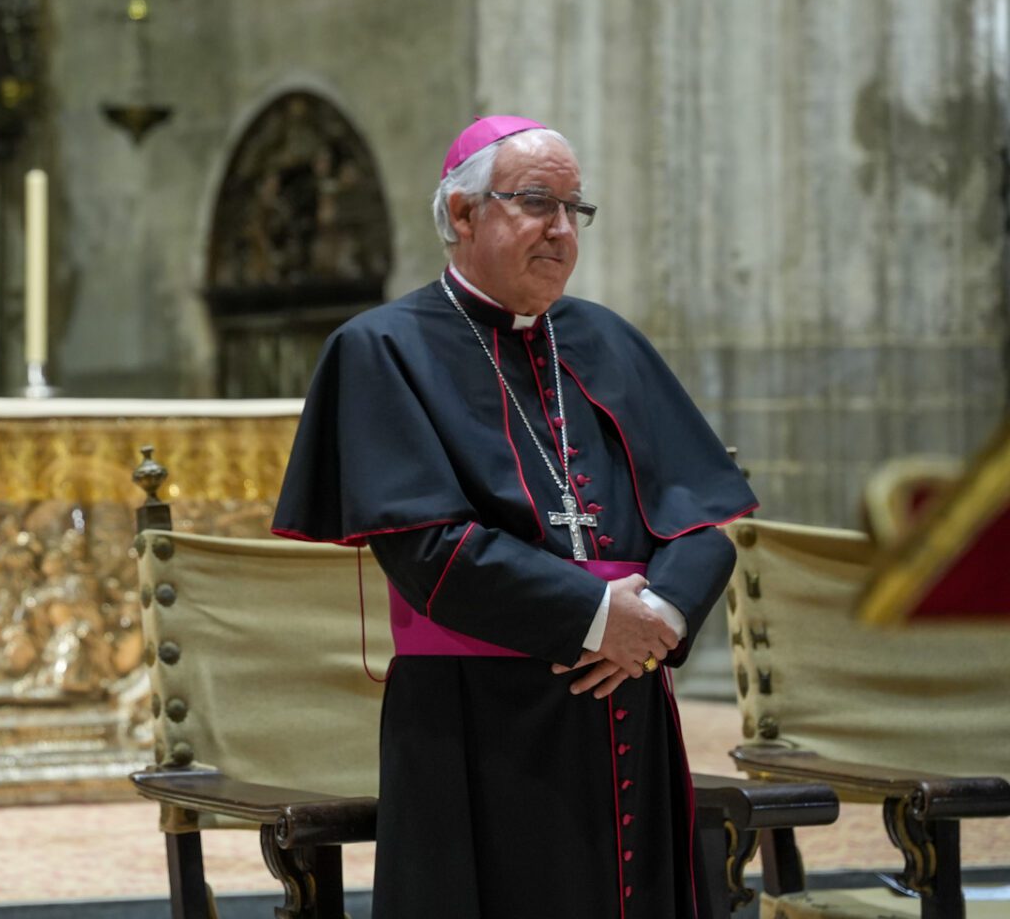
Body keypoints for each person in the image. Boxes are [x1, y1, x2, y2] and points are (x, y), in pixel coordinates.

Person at [273, 115, 756, 918]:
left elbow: (701, 522)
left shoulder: (607, 339)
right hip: (476, 719)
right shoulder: (381, 348)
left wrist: (659, 617)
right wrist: (598, 615)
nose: (562, 231)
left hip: (627, 698)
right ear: (462, 216)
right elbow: (429, 548)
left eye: (575, 209)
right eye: (537, 203)